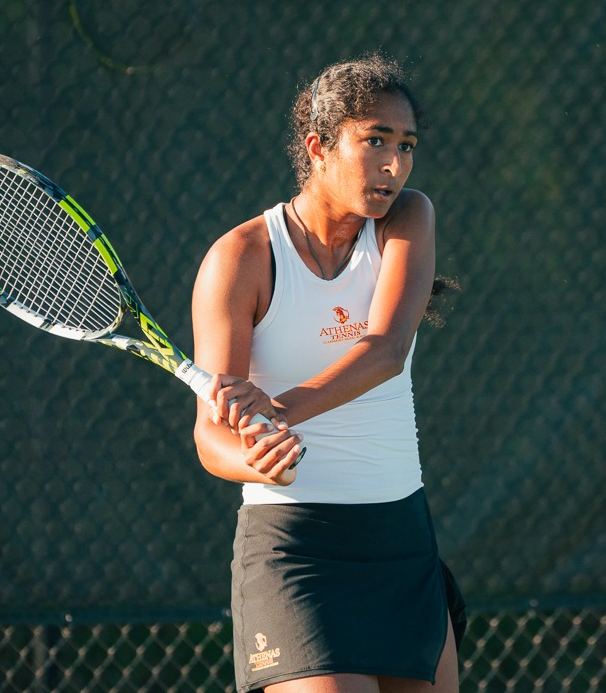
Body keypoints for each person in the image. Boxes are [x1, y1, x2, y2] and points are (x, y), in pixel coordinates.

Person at [190, 54, 464, 693]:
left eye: (406, 146)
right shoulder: (242, 259)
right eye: (374, 142)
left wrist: (277, 411)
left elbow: (386, 351)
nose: (394, 165)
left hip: (401, 541)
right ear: (318, 147)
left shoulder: (408, 219)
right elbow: (211, 439)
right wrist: (257, 456)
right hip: (296, 552)